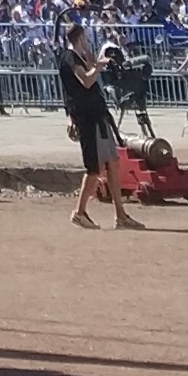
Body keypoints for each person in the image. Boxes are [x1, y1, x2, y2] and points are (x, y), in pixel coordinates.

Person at [61, 35, 139, 230]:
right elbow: (85, 82)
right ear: (79, 38)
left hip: (98, 116)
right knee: (94, 168)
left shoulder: (80, 58)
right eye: (84, 38)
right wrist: (98, 67)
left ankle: (120, 215)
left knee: (113, 162)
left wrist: (93, 63)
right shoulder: (69, 57)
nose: (87, 41)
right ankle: (79, 212)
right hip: (89, 119)